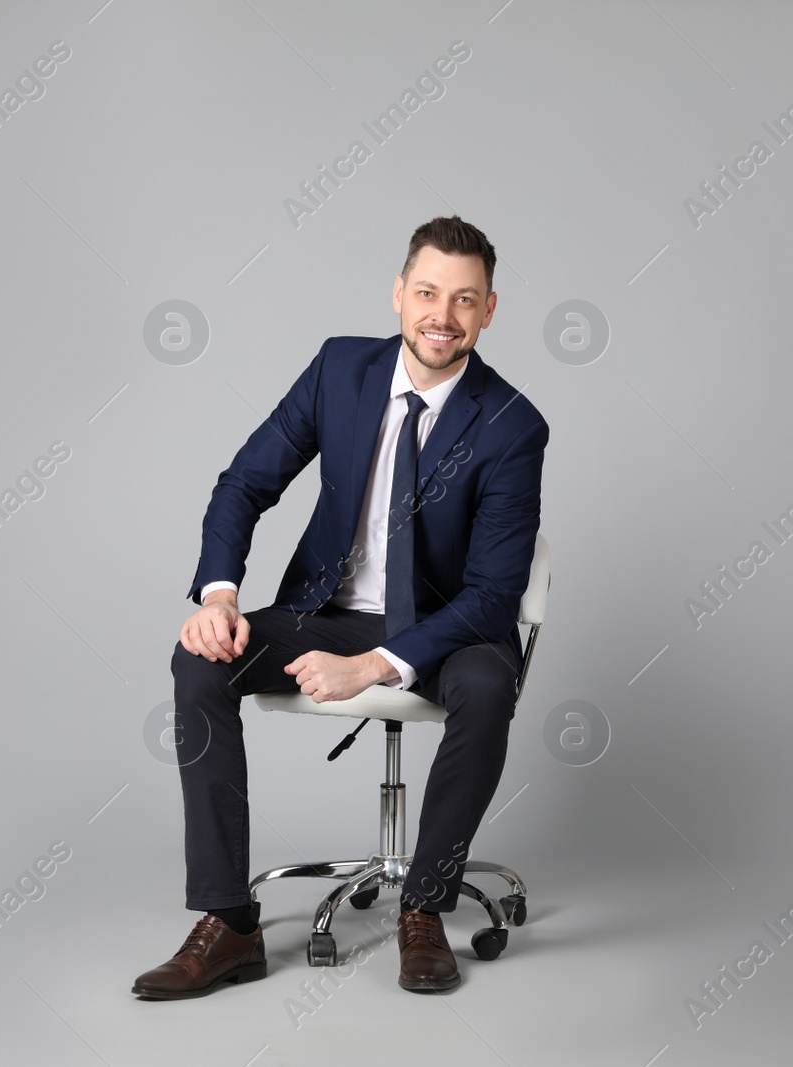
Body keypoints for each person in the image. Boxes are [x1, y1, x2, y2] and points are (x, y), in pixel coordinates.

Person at [132, 215, 549, 998]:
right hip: (329, 608)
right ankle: (229, 923)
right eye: (427, 292)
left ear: (489, 310)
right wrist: (218, 594)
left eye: (464, 299)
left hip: (450, 625)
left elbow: (495, 597)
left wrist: (373, 665)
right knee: (200, 658)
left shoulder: (513, 425)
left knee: (490, 685)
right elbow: (244, 484)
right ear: (398, 293)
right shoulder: (339, 371)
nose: (442, 314)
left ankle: (424, 907)